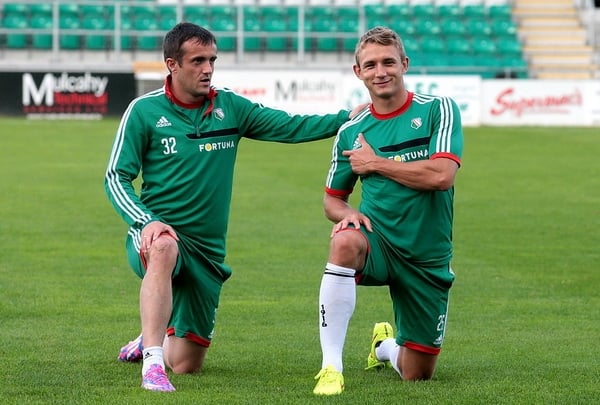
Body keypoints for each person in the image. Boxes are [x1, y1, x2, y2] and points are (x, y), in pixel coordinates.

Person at [104, 22, 364, 392]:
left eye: (212, 59)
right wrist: (146, 222)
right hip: (156, 236)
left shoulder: (231, 107)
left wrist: (347, 118)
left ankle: (150, 336)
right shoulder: (143, 112)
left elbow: (289, 126)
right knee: (164, 247)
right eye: (197, 60)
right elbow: (116, 177)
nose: (207, 68)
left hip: (208, 252)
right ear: (172, 64)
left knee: (188, 364)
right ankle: (152, 364)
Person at [312, 26, 463, 396]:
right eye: (371, 65)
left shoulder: (437, 110)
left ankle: (383, 346)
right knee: (344, 240)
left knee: (417, 373)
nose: (380, 71)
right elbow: (332, 198)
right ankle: (331, 367)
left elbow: (441, 175)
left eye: (388, 62)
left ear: (404, 64)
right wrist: (345, 214)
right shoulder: (351, 132)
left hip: (426, 254)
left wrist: (377, 164)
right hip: (378, 242)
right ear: (358, 72)